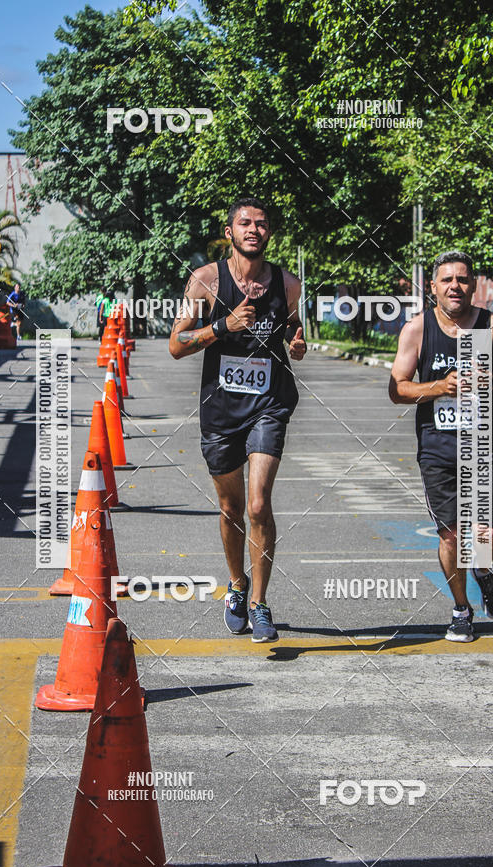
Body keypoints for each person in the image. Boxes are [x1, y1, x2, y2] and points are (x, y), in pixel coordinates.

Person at [169, 198, 307, 642]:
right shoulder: (205, 281)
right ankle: (236, 585)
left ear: (269, 234)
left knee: (257, 504)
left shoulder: (288, 284)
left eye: (261, 224)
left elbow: (291, 327)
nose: (253, 230)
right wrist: (223, 327)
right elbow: (177, 343)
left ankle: (260, 603)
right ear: (229, 232)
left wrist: (297, 339)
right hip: (221, 410)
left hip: (269, 404)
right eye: (244, 223)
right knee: (230, 508)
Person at [389, 250, 493, 642]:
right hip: (437, 447)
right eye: (447, 280)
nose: (455, 286)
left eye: (463, 279)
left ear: (473, 285)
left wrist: (492, 381)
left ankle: (483, 569)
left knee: (488, 532)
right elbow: (397, 389)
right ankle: (461, 609)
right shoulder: (418, 329)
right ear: (433, 286)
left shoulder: (492, 326)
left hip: (484, 444)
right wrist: (439, 387)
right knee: (451, 534)